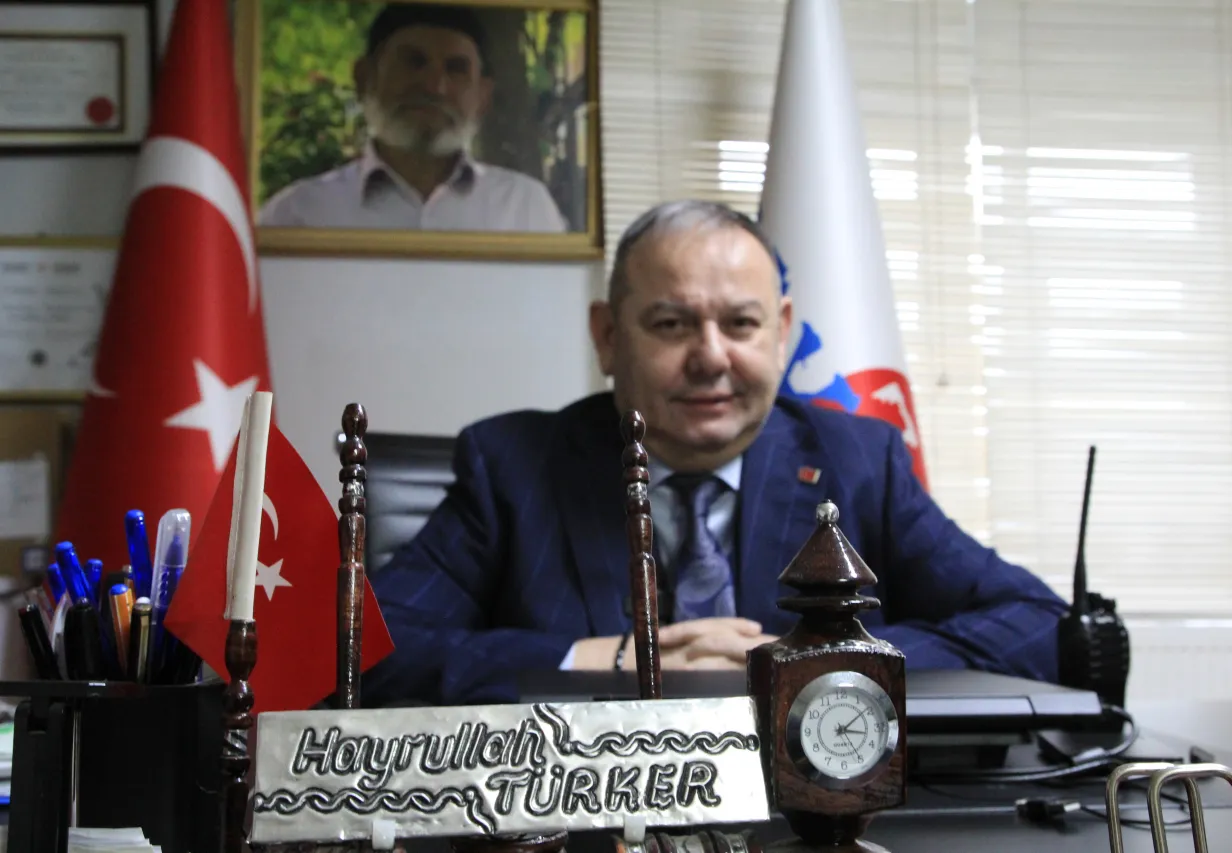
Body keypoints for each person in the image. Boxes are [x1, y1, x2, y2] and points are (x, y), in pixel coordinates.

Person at [363, 200, 1068, 707]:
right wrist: (605, 659)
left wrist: (820, 663)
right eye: (672, 324)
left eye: (741, 324)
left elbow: (1039, 624)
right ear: (608, 337)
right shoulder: (513, 467)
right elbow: (363, 648)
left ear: (781, 332)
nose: (711, 357)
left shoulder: (858, 461)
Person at [257, 3, 566, 232]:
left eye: (456, 69)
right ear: (364, 79)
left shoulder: (526, 208)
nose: (434, 86)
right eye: (413, 62)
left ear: (483, 97)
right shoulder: (298, 214)